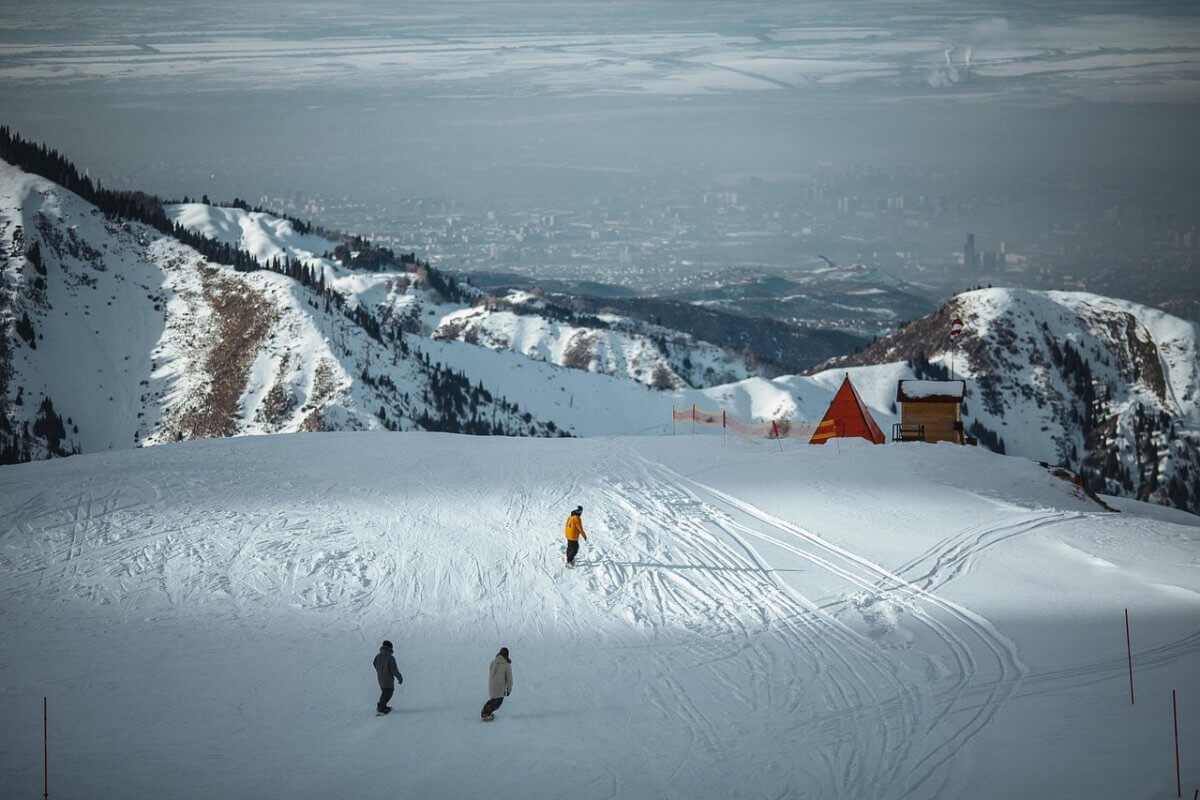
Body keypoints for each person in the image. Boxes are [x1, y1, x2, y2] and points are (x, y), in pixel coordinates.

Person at [480, 647, 513, 721]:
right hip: (500, 687)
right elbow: (509, 678)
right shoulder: (506, 665)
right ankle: (486, 713)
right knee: (497, 703)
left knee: (493, 700)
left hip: (492, 685)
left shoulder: (493, 662)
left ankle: (485, 712)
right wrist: (509, 689)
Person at [372, 640, 403, 715]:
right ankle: (381, 707)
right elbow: (394, 670)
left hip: (380, 678)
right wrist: (399, 677)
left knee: (384, 692)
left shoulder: (378, 656)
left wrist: (380, 671)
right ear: (390, 648)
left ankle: (383, 706)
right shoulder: (390, 658)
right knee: (388, 693)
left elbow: (374, 663)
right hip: (388, 680)